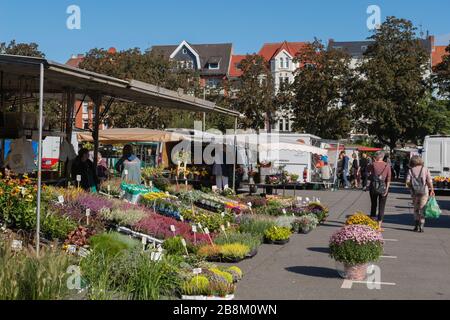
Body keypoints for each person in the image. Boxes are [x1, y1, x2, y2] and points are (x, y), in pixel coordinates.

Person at [405, 156, 435, 233]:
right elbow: (429, 181)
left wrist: (411, 187)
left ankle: (416, 225)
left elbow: (407, 182)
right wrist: (432, 189)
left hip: (414, 192)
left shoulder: (410, 170)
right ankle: (421, 226)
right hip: (424, 192)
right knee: (422, 208)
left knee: (416, 209)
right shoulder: (425, 169)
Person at [367, 151, 391, 230]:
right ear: (383, 157)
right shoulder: (387, 165)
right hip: (383, 187)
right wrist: (387, 189)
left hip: (373, 186)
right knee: (382, 206)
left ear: (376, 157)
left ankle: (372, 224)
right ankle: (379, 225)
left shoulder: (373, 164)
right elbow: (388, 178)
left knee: (373, 204)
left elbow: (368, 172)